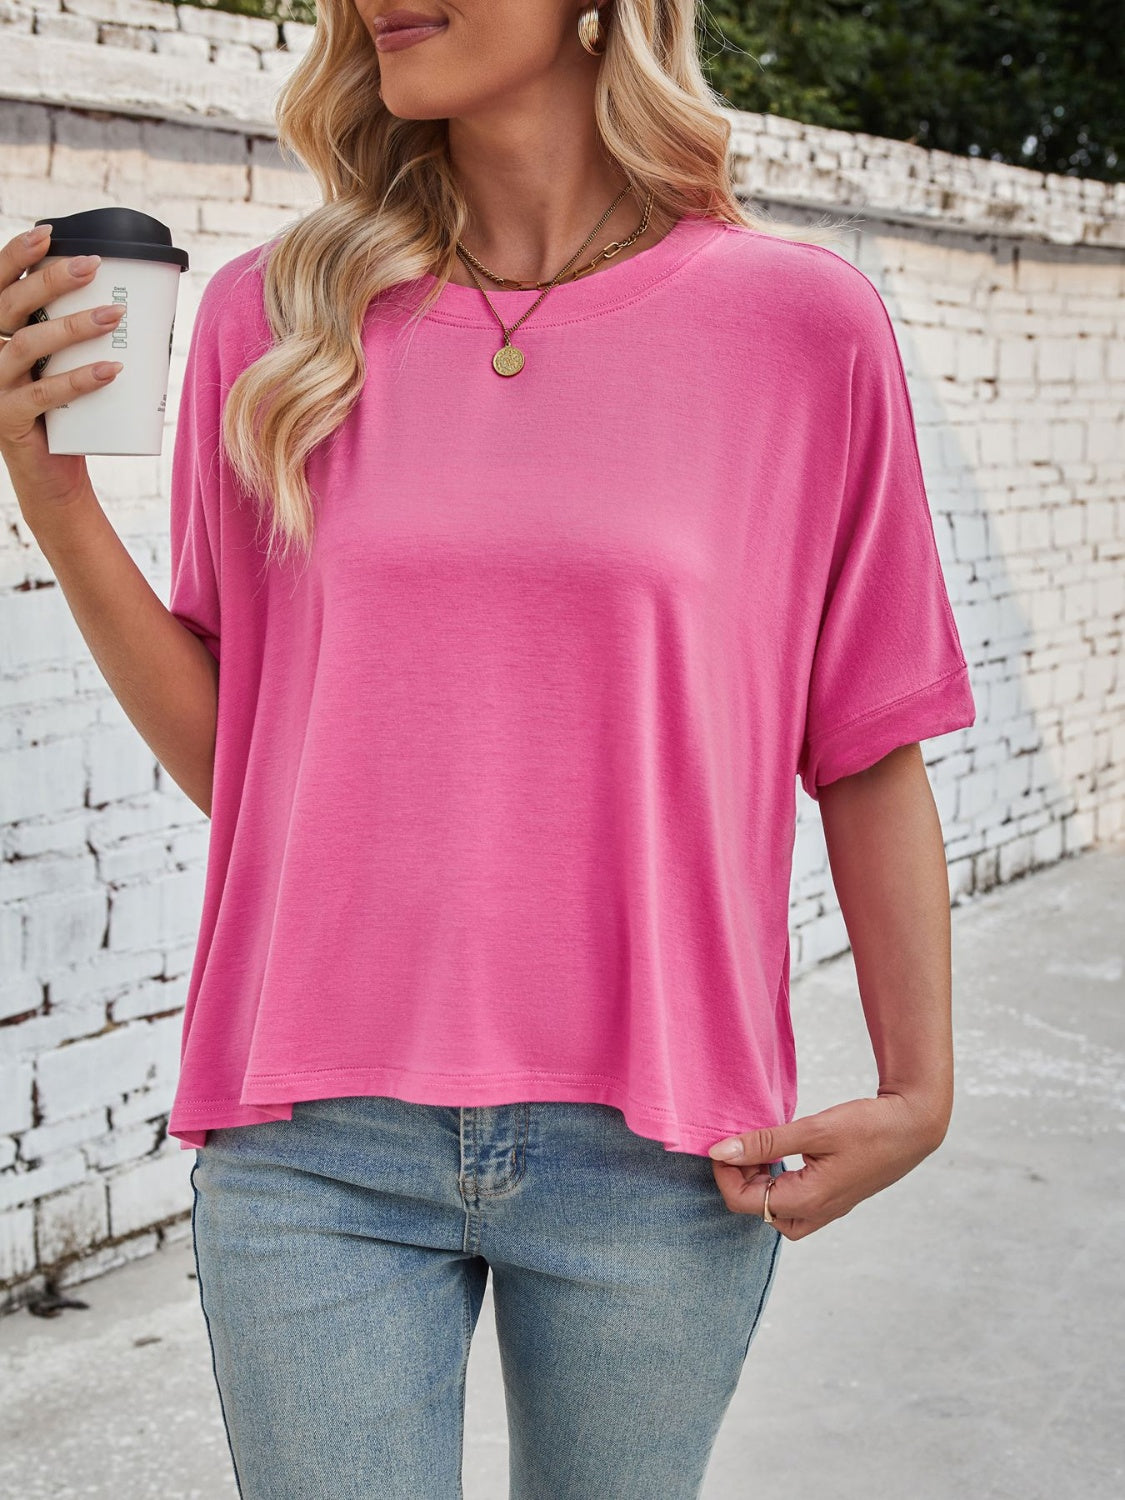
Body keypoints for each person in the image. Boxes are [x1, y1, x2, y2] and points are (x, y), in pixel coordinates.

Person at [0, 2, 977, 1496]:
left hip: (661, 1144)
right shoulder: (276, 321)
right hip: (312, 1135)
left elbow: (866, 738)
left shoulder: (800, 326)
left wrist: (920, 1088)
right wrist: (55, 498)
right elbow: (248, 766)